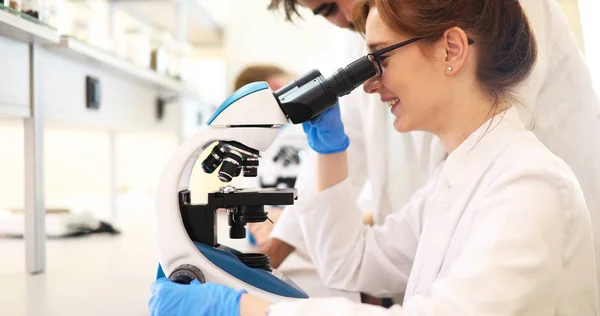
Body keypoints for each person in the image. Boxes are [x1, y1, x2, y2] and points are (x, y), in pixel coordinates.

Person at [148, 0, 599, 314]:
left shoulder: (528, 186)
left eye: (379, 58)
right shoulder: (458, 179)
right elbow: (351, 263)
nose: (368, 84)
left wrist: (250, 311)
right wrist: (331, 153)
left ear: (452, 49)